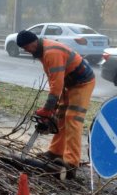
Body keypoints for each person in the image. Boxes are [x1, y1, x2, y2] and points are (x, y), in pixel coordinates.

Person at [16, 29, 96, 179]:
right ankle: (55, 152)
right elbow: (54, 80)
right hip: (68, 83)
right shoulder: (42, 52)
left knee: (73, 118)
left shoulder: (51, 52)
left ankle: (71, 163)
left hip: (82, 83)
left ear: (33, 42)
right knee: (60, 116)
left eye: (27, 48)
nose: (27, 51)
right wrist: (52, 107)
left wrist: (47, 109)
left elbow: (56, 85)